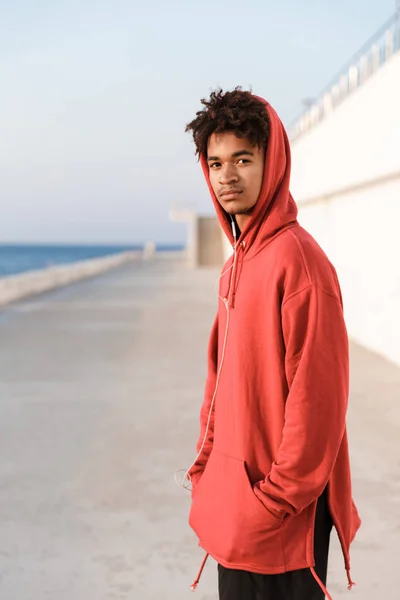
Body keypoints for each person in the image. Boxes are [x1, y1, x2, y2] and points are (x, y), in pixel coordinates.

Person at [183, 88, 361, 600]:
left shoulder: (299, 262)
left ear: (272, 159)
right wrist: (206, 469)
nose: (227, 176)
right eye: (215, 163)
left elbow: (319, 403)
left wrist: (272, 502)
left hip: (282, 516)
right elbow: (219, 385)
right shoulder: (235, 265)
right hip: (237, 508)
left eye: (243, 158)